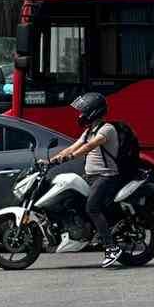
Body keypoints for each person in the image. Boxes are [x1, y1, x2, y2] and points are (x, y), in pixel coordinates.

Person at [49, 92, 142, 269]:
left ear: (92, 112)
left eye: (82, 111)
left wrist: (71, 157)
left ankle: (111, 248)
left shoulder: (106, 129)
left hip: (106, 177)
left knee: (92, 208)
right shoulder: (88, 131)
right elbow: (72, 147)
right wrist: (51, 161)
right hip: (91, 177)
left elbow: (89, 147)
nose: (80, 115)